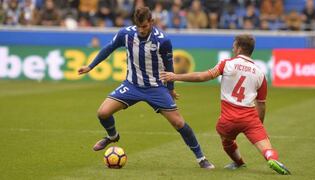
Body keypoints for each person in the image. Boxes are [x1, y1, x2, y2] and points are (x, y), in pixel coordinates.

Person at [77, 6, 214, 169]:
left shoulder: (162, 41)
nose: (141, 30)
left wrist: (170, 89)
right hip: (132, 85)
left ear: (151, 22)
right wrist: (90, 66)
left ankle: (201, 158)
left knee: (178, 122)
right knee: (102, 113)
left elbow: (169, 66)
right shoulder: (125, 34)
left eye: (144, 26)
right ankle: (112, 136)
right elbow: (108, 48)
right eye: (138, 26)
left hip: (156, 88)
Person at [160, 35, 291, 175]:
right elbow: (261, 104)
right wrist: (259, 124)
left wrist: (175, 76)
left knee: (226, 139)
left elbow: (202, 76)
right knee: (266, 146)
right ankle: (271, 158)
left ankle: (239, 162)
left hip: (228, 119)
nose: (232, 48)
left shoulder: (227, 64)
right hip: (250, 118)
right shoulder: (260, 73)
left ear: (239, 48)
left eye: (234, 45)